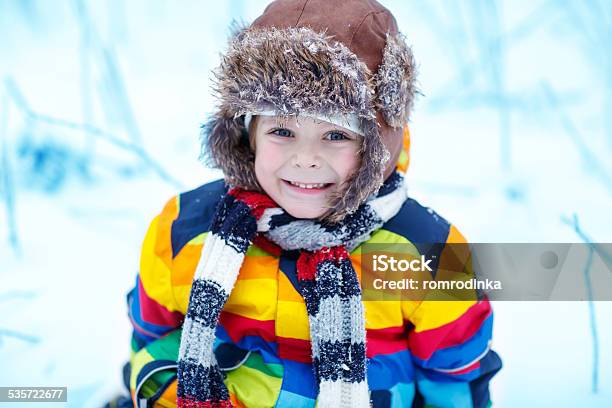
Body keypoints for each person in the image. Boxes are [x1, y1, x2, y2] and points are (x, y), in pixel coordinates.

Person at [125, 1, 502, 407]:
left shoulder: (428, 253)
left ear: (378, 145)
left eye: (336, 135)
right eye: (282, 130)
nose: (305, 158)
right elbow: (152, 339)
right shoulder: (187, 230)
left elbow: (454, 380)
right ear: (246, 134)